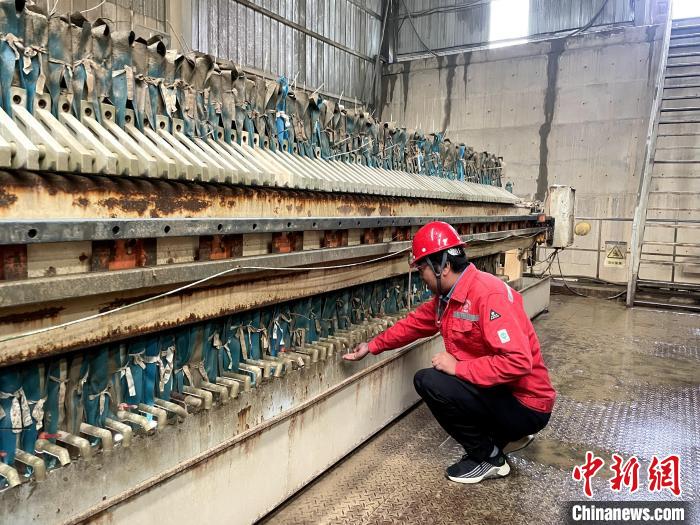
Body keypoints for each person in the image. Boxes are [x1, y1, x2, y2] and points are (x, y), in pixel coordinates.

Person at [343, 221, 556, 484]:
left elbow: (518, 362)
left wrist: (458, 368)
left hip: (527, 405)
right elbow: (414, 324)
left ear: (442, 266)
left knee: (431, 381)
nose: (421, 278)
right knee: (447, 379)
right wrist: (372, 346)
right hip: (508, 395)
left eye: (422, 269)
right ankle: (504, 437)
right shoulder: (449, 298)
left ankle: (488, 458)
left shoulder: (487, 295)